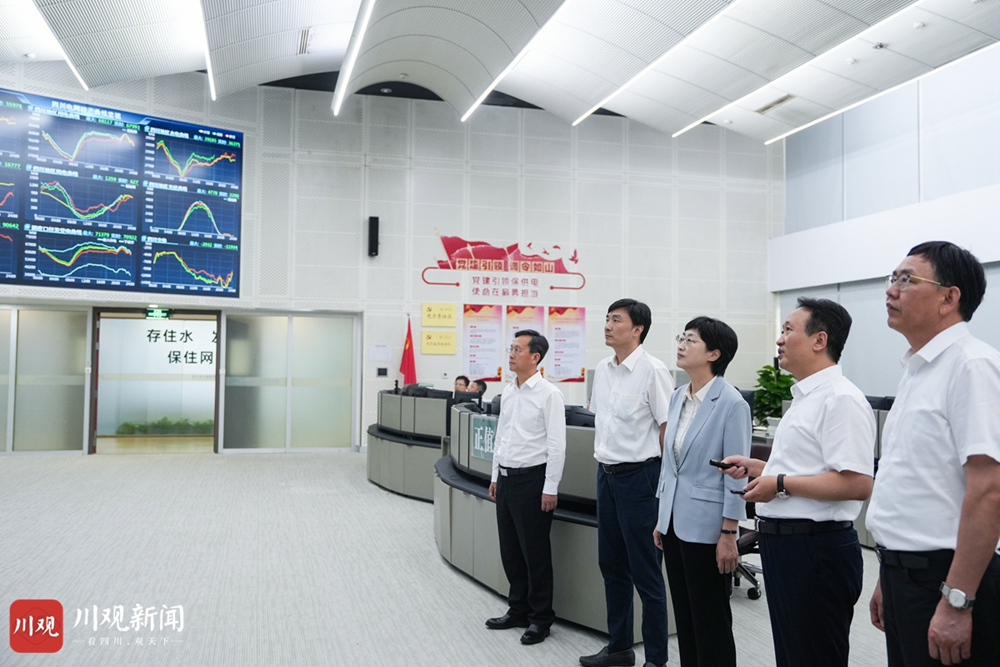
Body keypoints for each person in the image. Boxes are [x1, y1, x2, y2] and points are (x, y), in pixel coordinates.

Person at [721, 297, 875, 667]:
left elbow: (857, 483)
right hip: (787, 547)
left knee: (814, 656)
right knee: (794, 655)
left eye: (788, 330)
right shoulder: (805, 397)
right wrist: (761, 468)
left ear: (820, 340)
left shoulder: (841, 399)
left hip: (816, 550)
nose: (779, 339)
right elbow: (810, 469)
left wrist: (779, 482)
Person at [867, 241, 1000, 667]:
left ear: (949, 298)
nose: (891, 290)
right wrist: (888, 574)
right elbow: (914, 486)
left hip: (947, 579)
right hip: (905, 575)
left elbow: (989, 491)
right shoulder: (918, 370)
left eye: (907, 280)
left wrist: (958, 600)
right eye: (893, 278)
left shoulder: (972, 366)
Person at [652, 317, 750, 667]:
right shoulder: (678, 396)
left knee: (711, 621)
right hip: (674, 523)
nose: (681, 344)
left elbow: (736, 475)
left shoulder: (732, 403)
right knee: (686, 616)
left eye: (690, 340)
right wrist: (662, 518)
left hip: (709, 528)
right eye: (681, 337)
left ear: (714, 354)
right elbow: (670, 465)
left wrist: (729, 532)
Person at [580, 298, 673, 667]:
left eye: (616, 320)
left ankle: (656, 660)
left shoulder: (654, 371)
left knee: (647, 574)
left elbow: (667, 429)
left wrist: (664, 487)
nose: (607, 325)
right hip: (606, 475)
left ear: (637, 329)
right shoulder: (603, 369)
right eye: (606, 318)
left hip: (641, 479)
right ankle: (619, 648)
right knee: (611, 566)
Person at [486, 329, 566, 646]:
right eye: (511, 348)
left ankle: (541, 618)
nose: (511, 353)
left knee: (535, 554)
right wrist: (495, 476)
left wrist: (550, 487)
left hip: (533, 481)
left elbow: (557, 446)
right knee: (510, 551)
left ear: (535, 357)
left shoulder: (549, 394)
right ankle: (517, 609)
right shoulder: (508, 391)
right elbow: (501, 436)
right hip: (506, 480)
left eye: (517, 349)